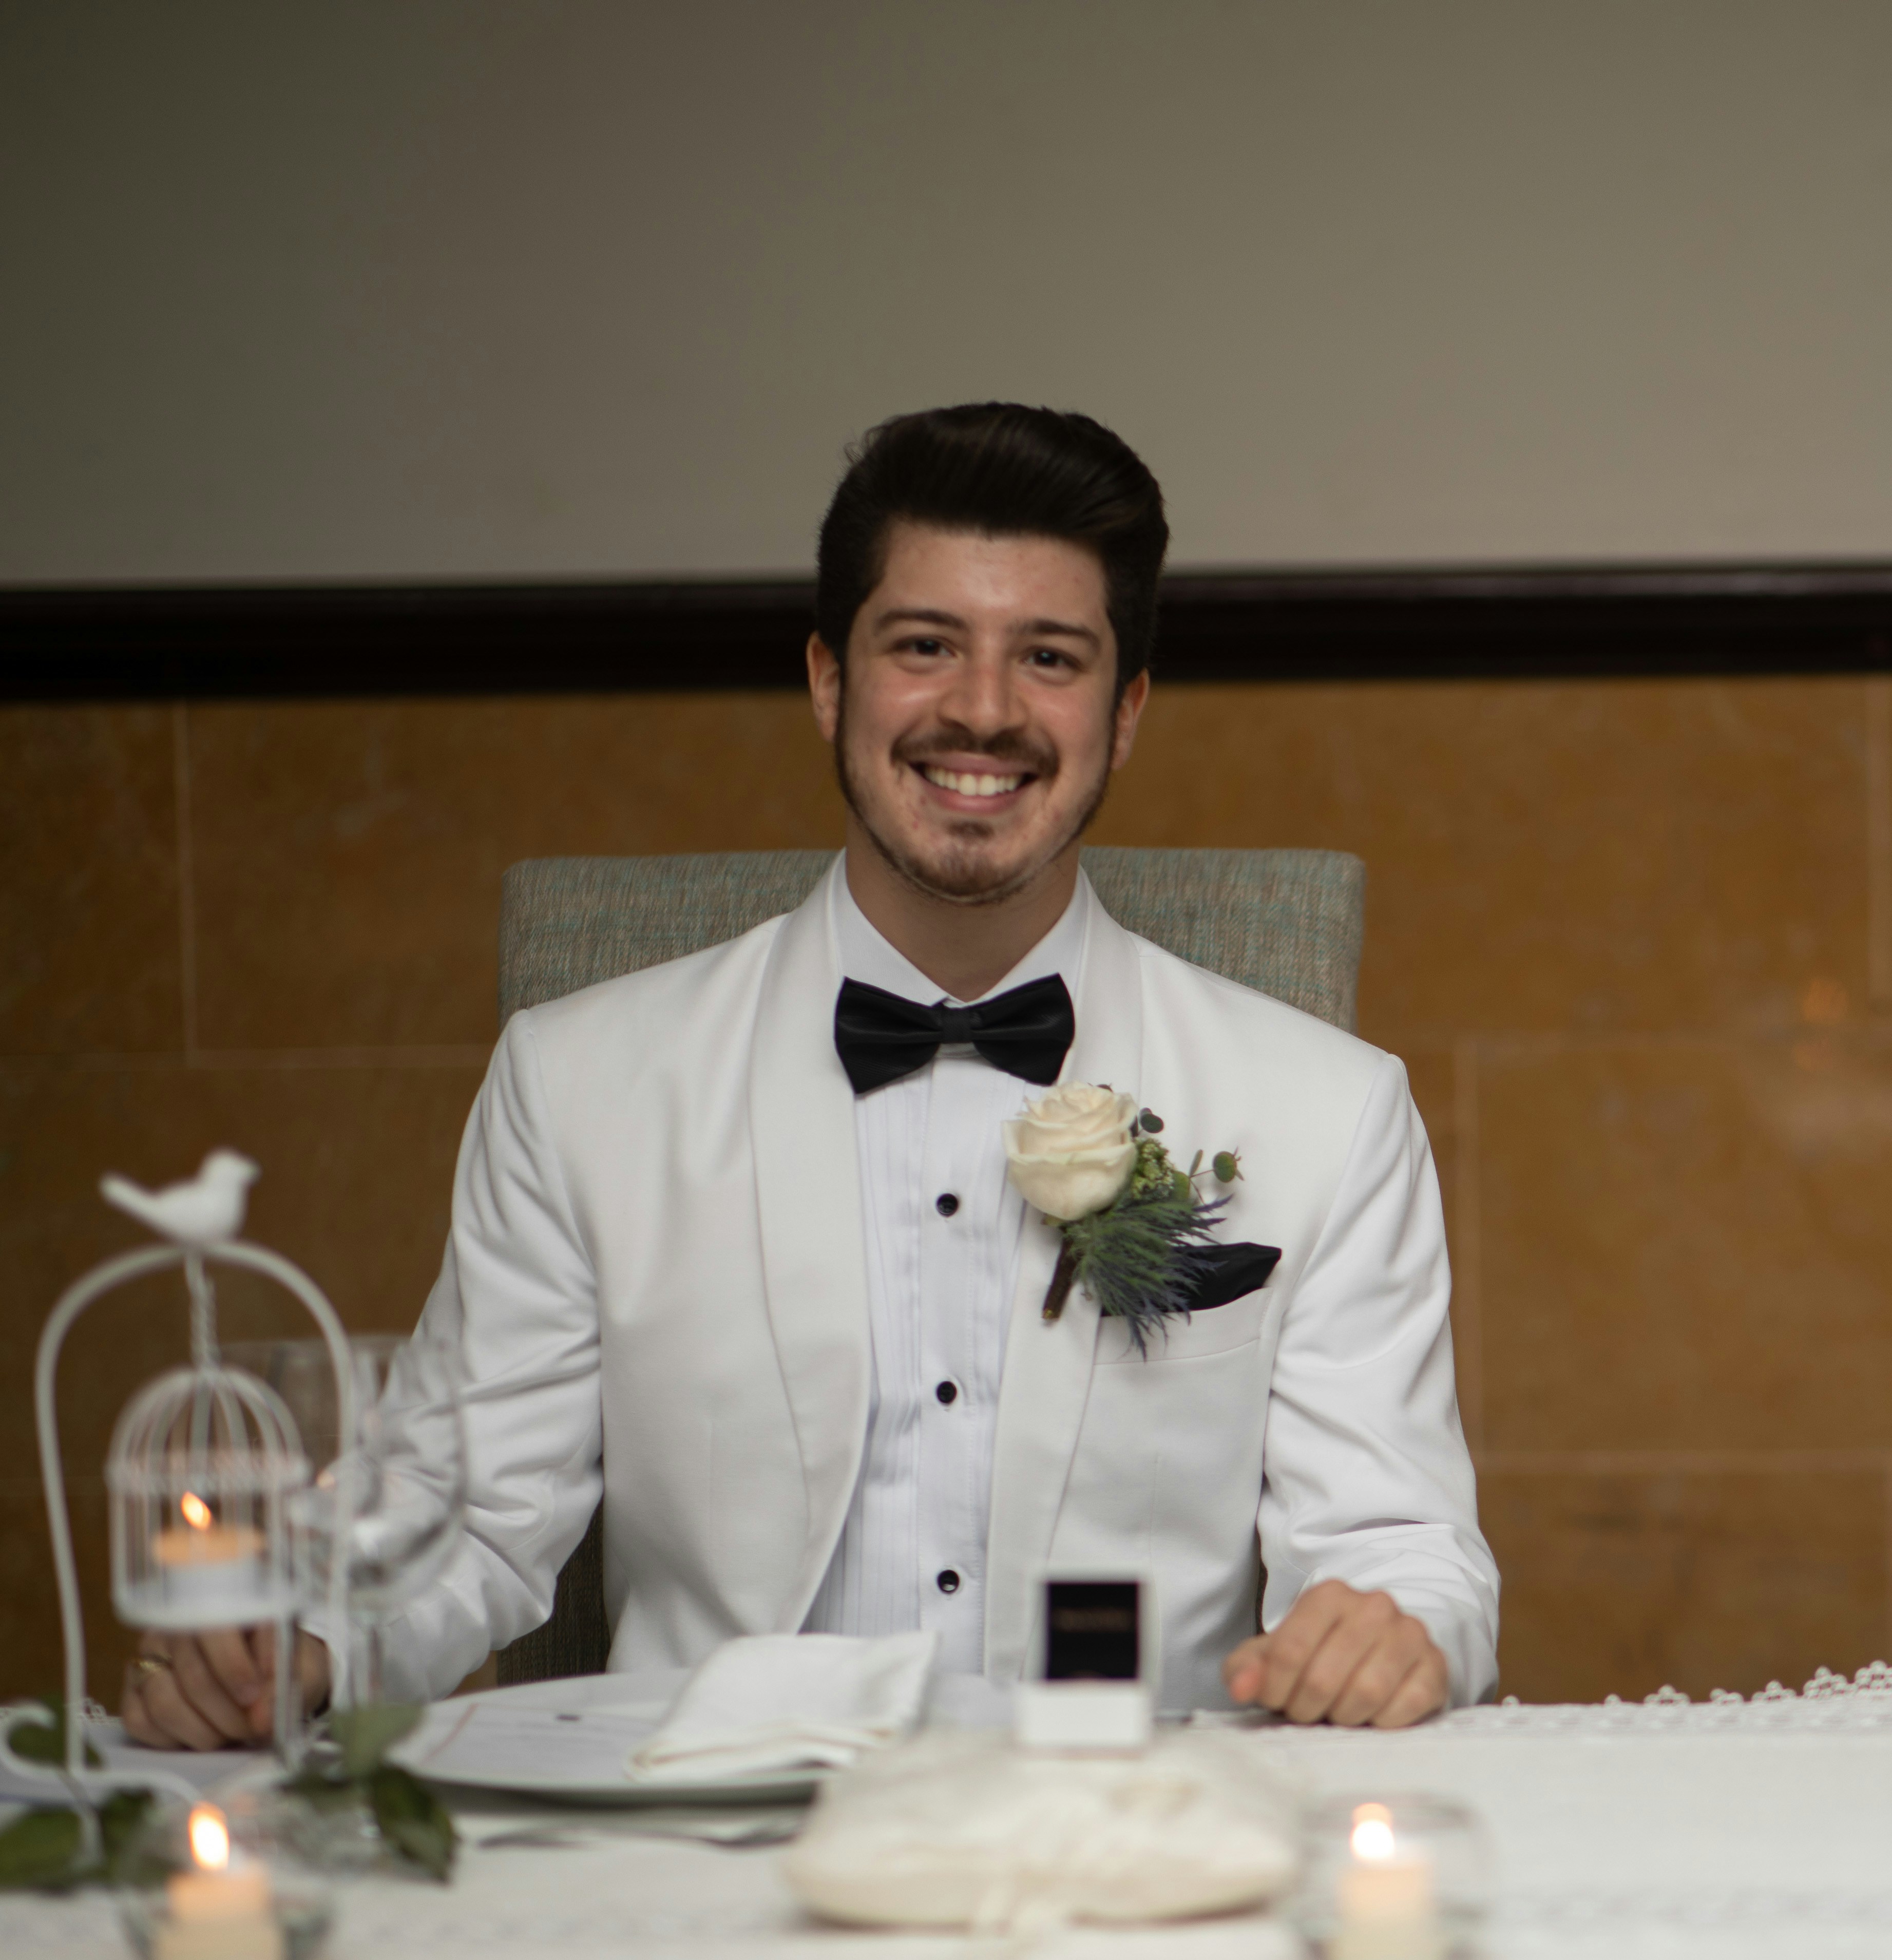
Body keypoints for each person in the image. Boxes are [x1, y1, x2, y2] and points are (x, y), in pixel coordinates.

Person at [126, 403, 1496, 1746]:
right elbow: (467, 1509)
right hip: (697, 1855)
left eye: (1052, 659)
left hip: (1127, 1856)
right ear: (829, 680)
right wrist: (303, 1649)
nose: (983, 711)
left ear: (1126, 711)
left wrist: (1393, 1629)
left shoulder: (1332, 1110)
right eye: (924, 646)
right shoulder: (577, 1084)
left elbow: (1397, 1543)